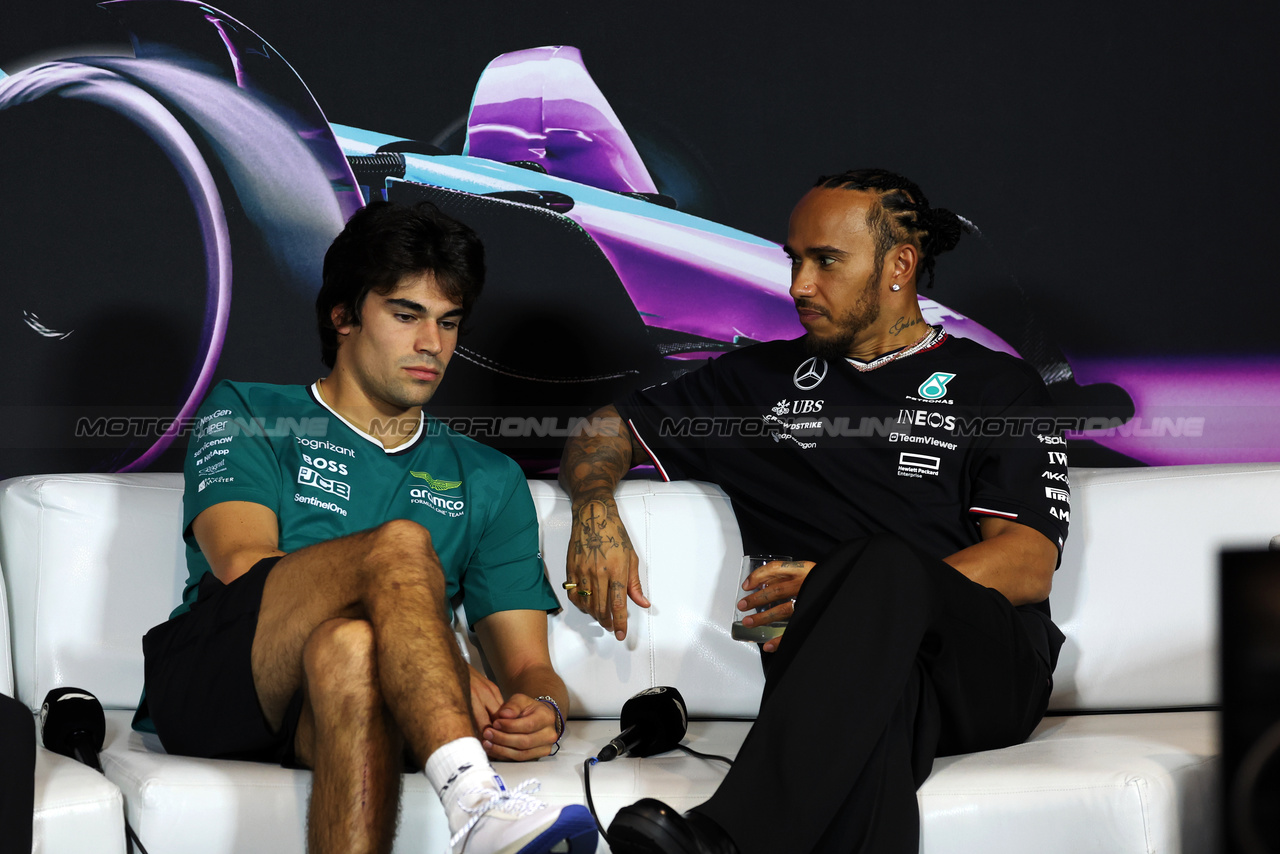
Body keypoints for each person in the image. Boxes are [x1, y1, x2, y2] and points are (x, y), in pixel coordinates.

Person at [558, 169, 1069, 853]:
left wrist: (843, 587)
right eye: (794, 260)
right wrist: (594, 508)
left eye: (826, 261)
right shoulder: (753, 384)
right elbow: (603, 429)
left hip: (983, 672)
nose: (799, 284)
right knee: (879, 722)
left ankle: (725, 837)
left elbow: (1028, 563)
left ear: (899, 265)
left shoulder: (997, 386)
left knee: (883, 565)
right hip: (839, 678)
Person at [134, 201, 596, 854]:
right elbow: (242, 564)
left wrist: (542, 712)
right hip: (224, 676)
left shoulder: (488, 477)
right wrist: (440, 648)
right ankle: (475, 803)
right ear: (344, 314)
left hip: (355, 692)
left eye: (448, 322)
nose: (431, 345)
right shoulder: (250, 409)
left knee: (353, 650)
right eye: (406, 315)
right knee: (402, 546)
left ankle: (476, 810)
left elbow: (528, 666)